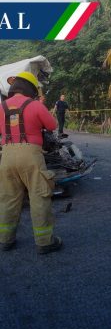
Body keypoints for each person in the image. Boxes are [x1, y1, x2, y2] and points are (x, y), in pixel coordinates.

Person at [0, 72, 62, 253]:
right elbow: (52, 126)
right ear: (31, 88)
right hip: (31, 155)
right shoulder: (35, 105)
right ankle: (45, 242)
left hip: (7, 156)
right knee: (39, 197)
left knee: (8, 198)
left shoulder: (1, 107)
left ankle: (5, 240)